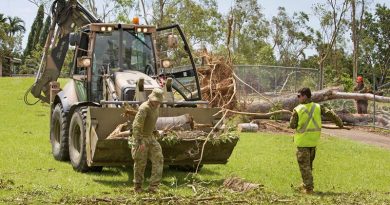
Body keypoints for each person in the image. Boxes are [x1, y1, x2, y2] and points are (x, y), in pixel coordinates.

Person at [289, 88, 343, 194]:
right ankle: (305, 184)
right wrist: (339, 123)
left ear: (305, 96)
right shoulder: (318, 107)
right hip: (313, 142)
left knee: (304, 166)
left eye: (299, 96)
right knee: (308, 165)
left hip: (303, 142)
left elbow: (292, 125)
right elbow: (330, 114)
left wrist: (294, 117)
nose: (298, 98)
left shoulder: (298, 109)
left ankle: (308, 188)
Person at [129, 88, 164, 193]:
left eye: (159, 101)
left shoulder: (156, 107)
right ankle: (137, 187)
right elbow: (136, 125)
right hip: (141, 138)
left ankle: (153, 186)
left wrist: (155, 131)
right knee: (140, 162)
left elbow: (151, 121)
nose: (157, 102)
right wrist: (139, 142)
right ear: (151, 98)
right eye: (156, 100)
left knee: (159, 158)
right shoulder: (144, 108)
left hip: (150, 137)